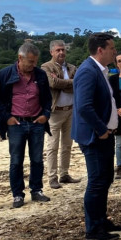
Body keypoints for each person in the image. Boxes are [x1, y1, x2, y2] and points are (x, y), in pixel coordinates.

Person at [72, 32, 121, 240]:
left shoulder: (98, 70)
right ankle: (93, 228)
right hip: (95, 137)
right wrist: (102, 129)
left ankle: (101, 220)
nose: (115, 51)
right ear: (100, 50)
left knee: (105, 178)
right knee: (96, 181)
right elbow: (84, 107)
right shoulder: (88, 71)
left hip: (104, 135)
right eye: (112, 48)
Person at [0, 43, 52, 209]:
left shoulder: (40, 75)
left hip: (36, 123)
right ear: (20, 58)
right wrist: (6, 117)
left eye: (35, 62)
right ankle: (17, 194)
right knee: (16, 160)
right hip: (15, 124)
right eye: (30, 62)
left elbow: (48, 98)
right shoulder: (4, 74)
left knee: (37, 159)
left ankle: (36, 190)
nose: (33, 65)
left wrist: (46, 115)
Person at [41, 40, 80, 189]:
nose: (61, 52)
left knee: (67, 145)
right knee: (52, 146)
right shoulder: (46, 67)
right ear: (51, 52)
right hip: (55, 112)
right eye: (58, 50)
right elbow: (53, 84)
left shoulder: (72, 67)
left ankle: (64, 174)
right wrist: (69, 82)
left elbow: (78, 85)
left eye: (63, 50)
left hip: (70, 110)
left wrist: (62, 82)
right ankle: (52, 177)